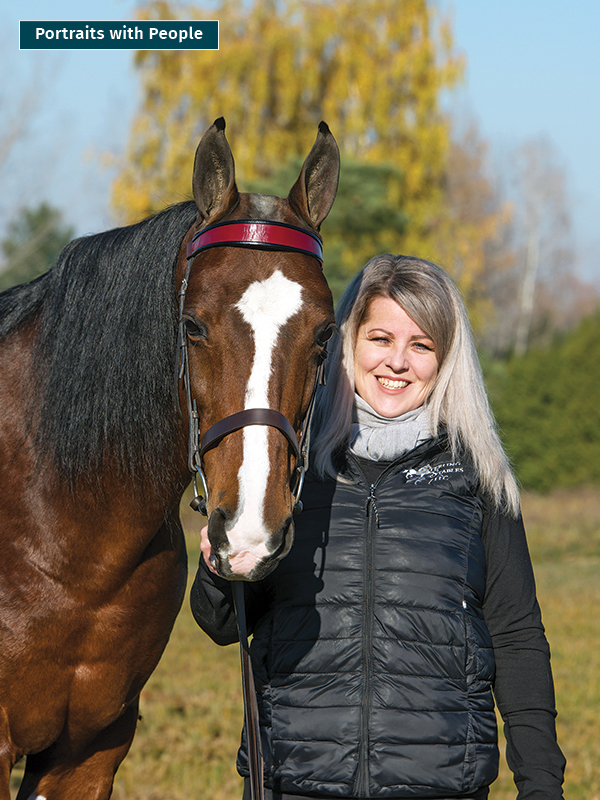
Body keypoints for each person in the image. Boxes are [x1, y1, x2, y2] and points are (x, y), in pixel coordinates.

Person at [190, 254, 566, 800]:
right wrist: (218, 567)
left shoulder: (476, 479)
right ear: (347, 343)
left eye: (421, 345)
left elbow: (516, 636)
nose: (397, 362)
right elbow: (221, 623)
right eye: (381, 338)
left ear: (445, 360)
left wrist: (541, 785)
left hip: (439, 786)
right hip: (295, 781)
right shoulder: (293, 473)